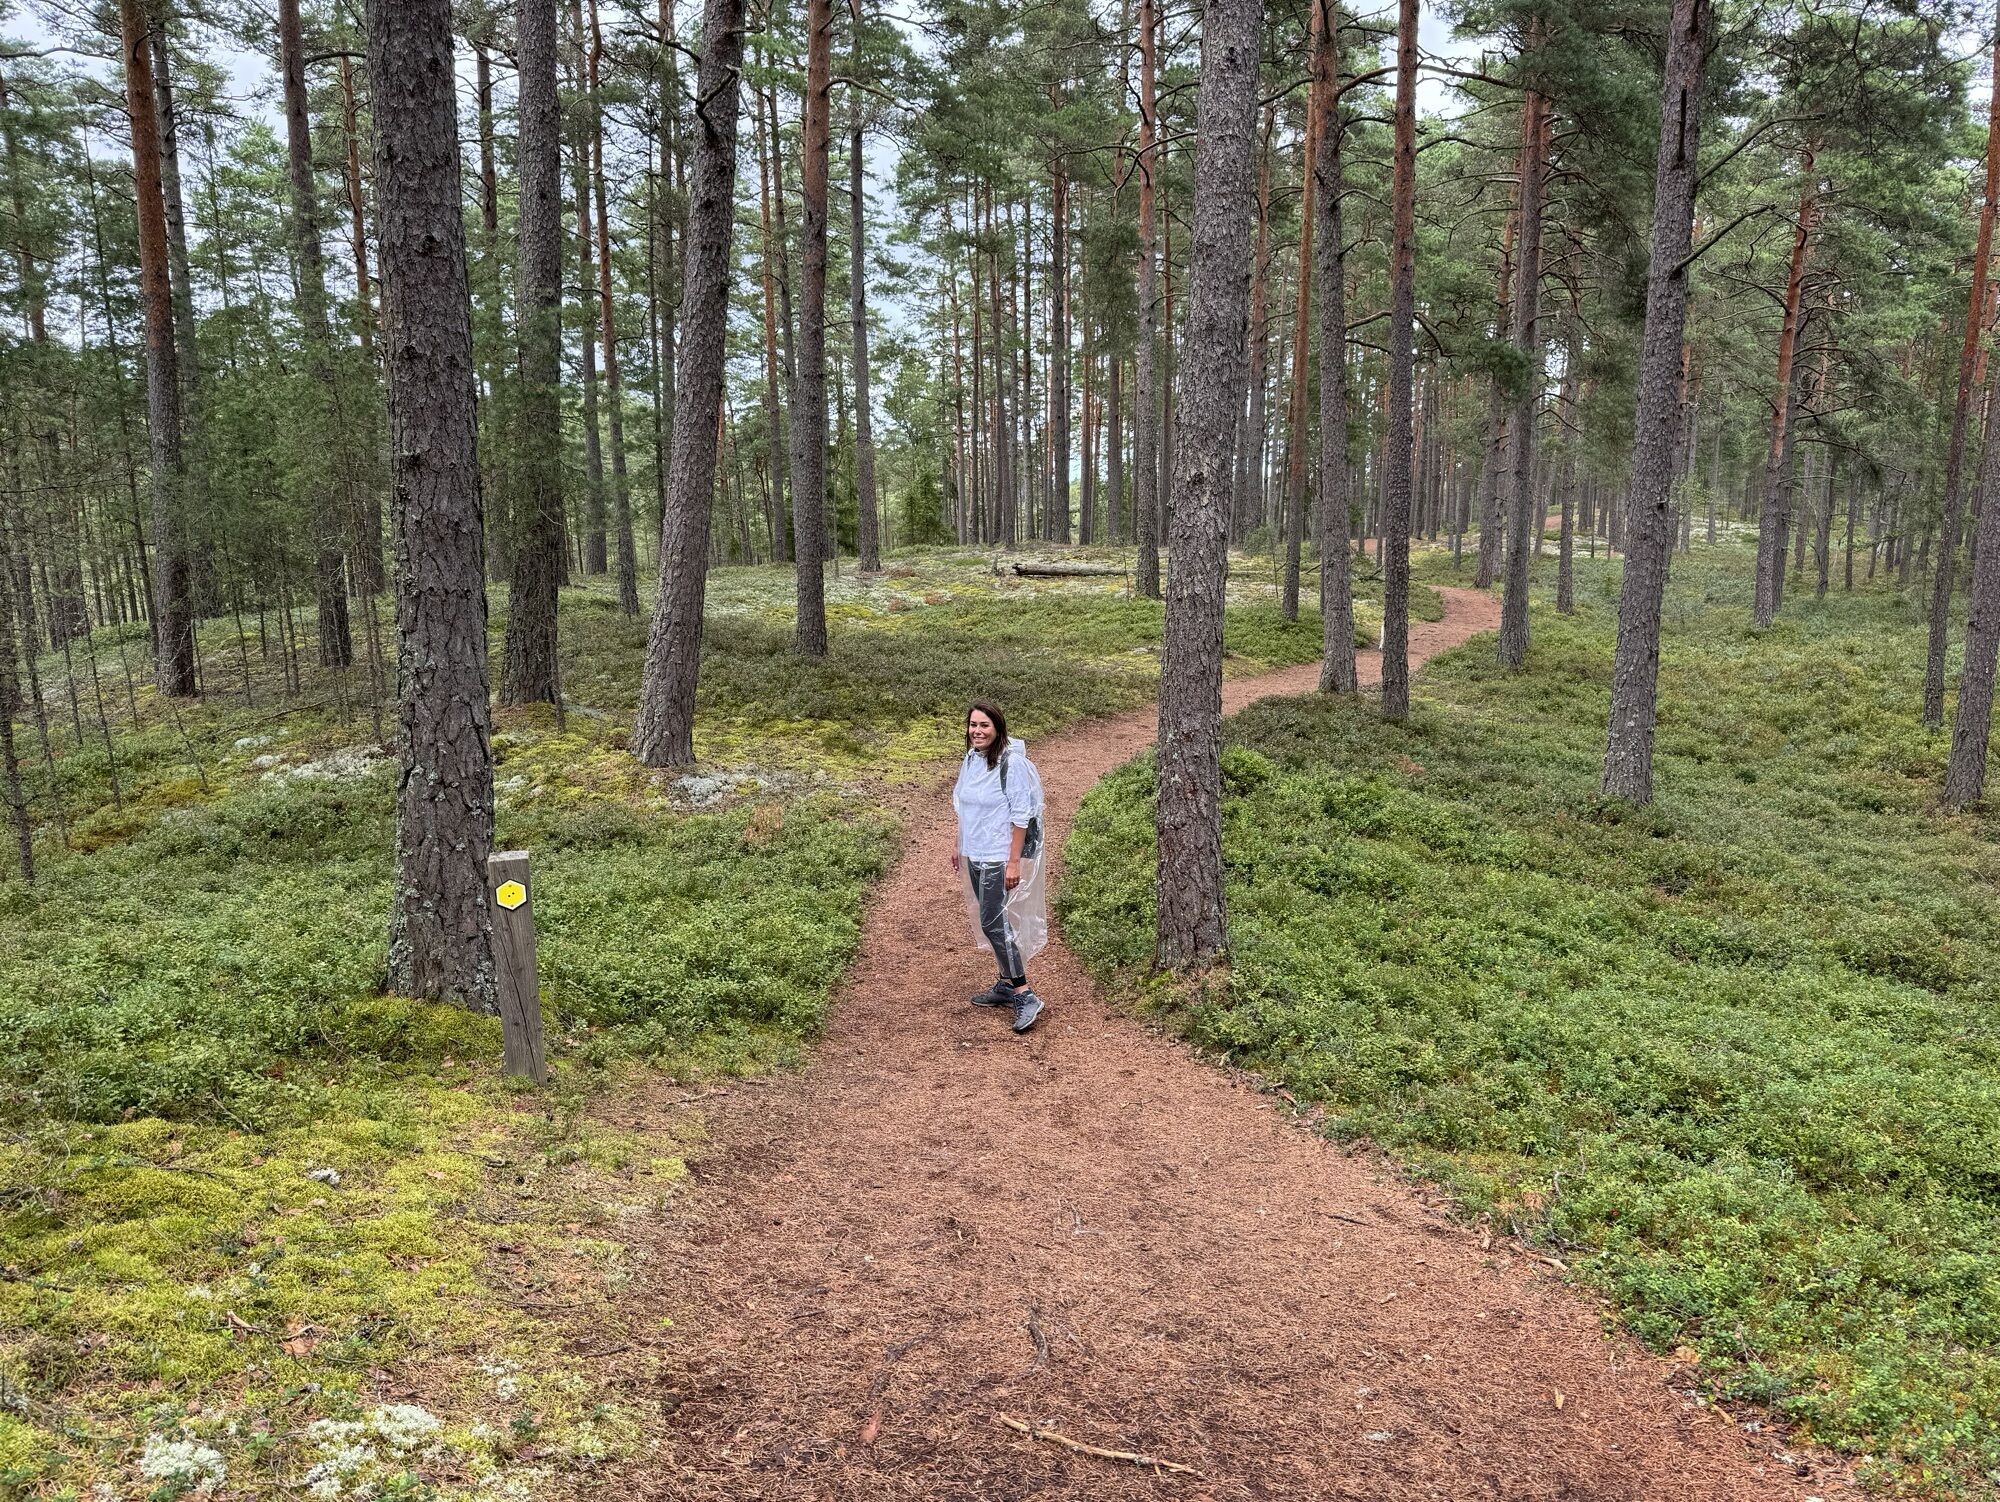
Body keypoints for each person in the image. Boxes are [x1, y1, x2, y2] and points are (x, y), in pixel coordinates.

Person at [951, 702, 1047, 1033]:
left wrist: (1013, 862)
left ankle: (1024, 993)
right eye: (973, 725)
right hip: (975, 851)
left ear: (997, 728)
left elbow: (1021, 816)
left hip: (997, 855)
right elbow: (964, 805)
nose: (977, 731)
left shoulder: (1012, 764)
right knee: (993, 920)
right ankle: (1006, 984)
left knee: (992, 923)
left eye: (984, 726)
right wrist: (958, 844)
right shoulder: (971, 759)